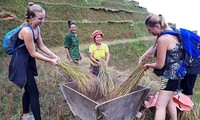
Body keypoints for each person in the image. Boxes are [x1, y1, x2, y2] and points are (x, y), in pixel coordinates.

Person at [8, 2, 60, 120]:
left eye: (43, 18)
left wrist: (53, 55)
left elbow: (41, 46)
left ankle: (26, 115)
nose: (42, 21)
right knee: (34, 93)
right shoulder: (26, 31)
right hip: (21, 64)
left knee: (28, 90)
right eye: (40, 18)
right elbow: (33, 53)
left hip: (28, 62)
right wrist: (50, 60)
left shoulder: (37, 29)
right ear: (31, 17)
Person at [142, 13, 185, 120]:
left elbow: (159, 65)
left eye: (149, 29)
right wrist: (142, 57)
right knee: (169, 99)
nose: (150, 32)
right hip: (179, 74)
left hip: (169, 77)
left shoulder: (163, 39)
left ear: (156, 26)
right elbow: (153, 47)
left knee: (160, 105)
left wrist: (147, 65)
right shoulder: (172, 32)